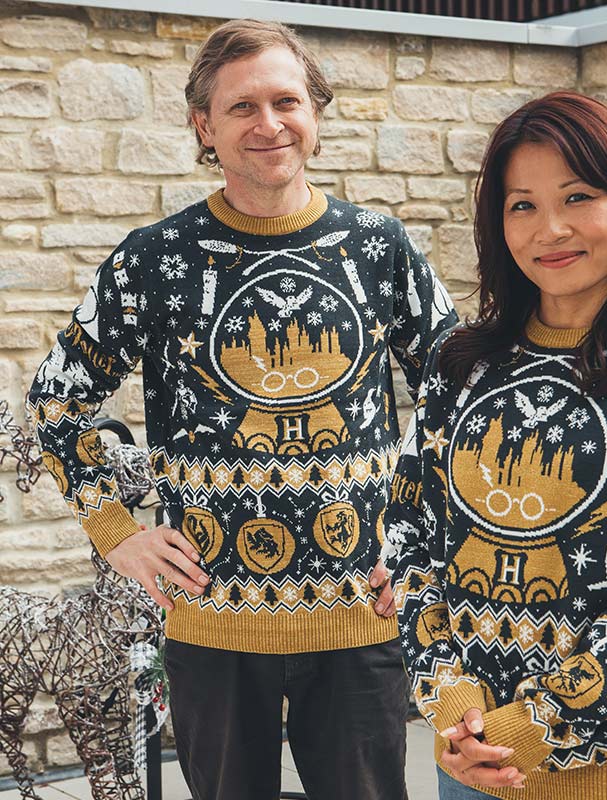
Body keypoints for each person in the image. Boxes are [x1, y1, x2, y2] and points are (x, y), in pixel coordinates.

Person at [27, 19, 457, 800]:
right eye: (241, 107)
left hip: (359, 617)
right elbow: (57, 399)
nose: (269, 124)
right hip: (212, 622)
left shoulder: (380, 246)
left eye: (286, 101)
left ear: (315, 112)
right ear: (205, 127)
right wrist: (115, 532)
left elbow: (461, 395)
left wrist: (426, 538)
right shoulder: (154, 258)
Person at [383, 91, 607, 800]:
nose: (551, 229)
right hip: (471, 760)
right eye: (522, 205)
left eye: (577, 196)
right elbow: (407, 534)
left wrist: (538, 722)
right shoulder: (460, 361)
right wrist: (452, 702)